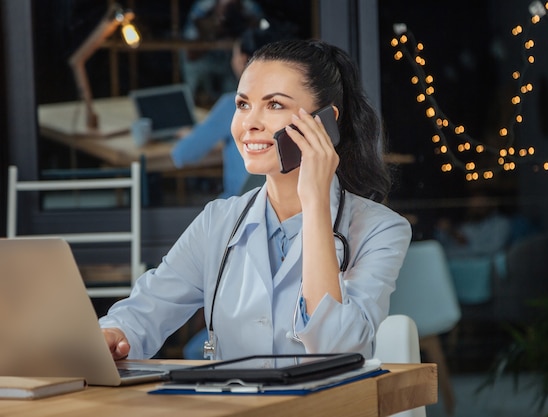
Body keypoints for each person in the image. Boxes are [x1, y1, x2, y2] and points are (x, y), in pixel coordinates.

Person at [99, 38, 412, 361]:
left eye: (275, 104)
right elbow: (145, 312)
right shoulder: (218, 221)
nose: (250, 122)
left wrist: (316, 203)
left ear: (324, 122)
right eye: (243, 104)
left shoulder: (381, 229)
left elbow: (339, 347)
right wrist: (114, 334)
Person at [171, 24, 289, 198]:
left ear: (242, 60)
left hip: (240, 205)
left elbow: (181, 155)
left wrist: (194, 136)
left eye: (233, 55)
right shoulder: (288, 105)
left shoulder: (233, 106)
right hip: (278, 203)